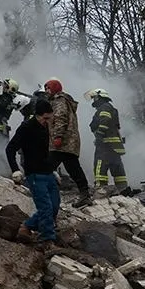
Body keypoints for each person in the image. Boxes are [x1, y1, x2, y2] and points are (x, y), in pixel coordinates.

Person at [6, 99, 61, 243]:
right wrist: (15, 170)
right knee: (46, 208)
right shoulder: (26, 127)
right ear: (38, 115)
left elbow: (45, 151)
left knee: (54, 206)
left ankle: (27, 225)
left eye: (50, 118)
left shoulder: (45, 127)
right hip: (35, 174)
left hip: (48, 173)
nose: (47, 121)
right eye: (45, 118)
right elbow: (10, 149)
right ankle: (47, 239)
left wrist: (53, 170)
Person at [43, 77, 93, 208]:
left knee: (47, 167)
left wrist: (57, 136)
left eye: (48, 88)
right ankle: (85, 194)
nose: (46, 91)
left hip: (62, 142)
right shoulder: (64, 100)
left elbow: (60, 118)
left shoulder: (59, 101)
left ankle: (41, 193)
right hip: (69, 142)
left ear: (54, 89)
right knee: (73, 168)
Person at [85, 88, 132, 195]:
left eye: (95, 98)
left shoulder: (104, 108)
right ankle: (123, 190)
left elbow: (104, 121)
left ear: (100, 97)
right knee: (117, 168)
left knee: (100, 166)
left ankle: (100, 190)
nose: (94, 101)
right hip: (114, 147)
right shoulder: (111, 108)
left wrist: (99, 135)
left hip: (105, 145)